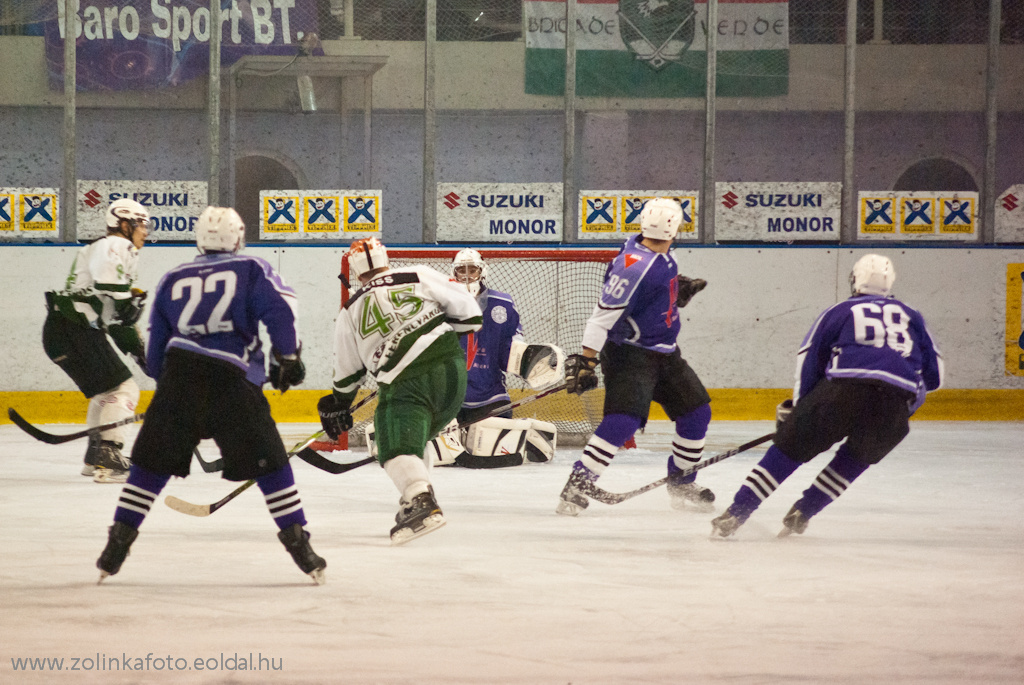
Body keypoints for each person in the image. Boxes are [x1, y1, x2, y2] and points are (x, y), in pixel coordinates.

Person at [95, 206, 324, 584]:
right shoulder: (251, 269)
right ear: (237, 238)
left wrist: (173, 394)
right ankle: (301, 547)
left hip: (179, 379)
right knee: (273, 463)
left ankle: (116, 545)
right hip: (230, 381)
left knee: (149, 465)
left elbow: (155, 354)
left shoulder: (172, 277)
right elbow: (280, 311)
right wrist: (288, 357)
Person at [711, 254, 944, 538]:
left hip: (842, 392)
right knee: (855, 458)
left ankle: (736, 512)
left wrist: (800, 407)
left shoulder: (839, 311)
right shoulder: (912, 315)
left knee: (787, 452)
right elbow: (935, 377)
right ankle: (805, 511)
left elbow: (809, 361)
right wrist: (901, 402)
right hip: (894, 402)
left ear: (855, 280)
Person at [317, 238, 482, 544]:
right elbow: (471, 317)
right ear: (386, 260)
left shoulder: (350, 310)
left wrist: (338, 404)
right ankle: (413, 497)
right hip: (453, 374)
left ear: (354, 273)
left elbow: (348, 373)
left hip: (407, 382)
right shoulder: (418, 273)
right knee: (415, 439)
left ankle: (422, 502)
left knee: (392, 441)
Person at [557, 197, 714, 516]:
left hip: (666, 354)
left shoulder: (660, 254)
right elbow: (602, 316)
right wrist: (588, 360)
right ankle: (578, 484)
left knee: (696, 412)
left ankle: (682, 483)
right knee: (624, 420)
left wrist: (673, 293)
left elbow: (649, 294)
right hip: (631, 355)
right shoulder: (634, 266)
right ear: (675, 227)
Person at [43, 198, 151, 483]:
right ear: (124, 224)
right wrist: (127, 301)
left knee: (107, 392)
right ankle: (109, 455)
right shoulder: (113, 245)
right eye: (141, 225)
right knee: (125, 389)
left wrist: (140, 352)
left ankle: (95, 456)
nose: (145, 232)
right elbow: (111, 290)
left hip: (61, 332)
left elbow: (115, 318)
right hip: (74, 328)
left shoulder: (114, 252)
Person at [446, 248, 561, 468]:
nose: (468, 275)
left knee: (488, 449)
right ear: (454, 272)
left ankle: (526, 434)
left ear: (483, 272)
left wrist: (528, 363)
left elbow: (511, 352)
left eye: (473, 270)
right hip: (449, 397)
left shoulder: (503, 304)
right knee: (443, 456)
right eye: (462, 270)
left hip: (490, 397)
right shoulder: (441, 303)